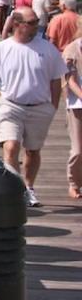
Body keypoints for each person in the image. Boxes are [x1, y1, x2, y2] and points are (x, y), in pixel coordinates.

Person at [0, 7, 67, 207]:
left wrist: (53, 106)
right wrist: (0, 100)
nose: (36, 26)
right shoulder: (1, 49)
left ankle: (29, 187)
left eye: (36, 21)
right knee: (11, 146)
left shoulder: (47, 49)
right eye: (31, 22)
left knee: (33, 151)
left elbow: (56, 79)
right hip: (10, 105)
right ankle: (14, 190)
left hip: (39, 107)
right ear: (17, 24)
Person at [61, 25, 82, 199]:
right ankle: (74, 183)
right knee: (78, 150)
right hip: (77, 106)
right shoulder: (72, 50)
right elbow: (70, 81)